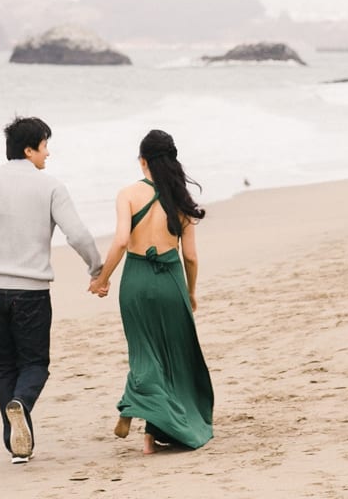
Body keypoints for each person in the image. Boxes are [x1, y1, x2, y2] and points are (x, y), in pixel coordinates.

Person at [0, 116, 104, 464]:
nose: (48, 153)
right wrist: (96, 268)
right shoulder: (50, 186)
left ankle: (17, 447)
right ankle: (21, 404)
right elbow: (77, 234)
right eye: (45, 145)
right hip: (32, 291)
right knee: (35, 363)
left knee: (3, 366)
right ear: (29, 149)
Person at [89, 128, 214, 453]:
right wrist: (190, 291)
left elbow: (119, 240)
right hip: (171, 281)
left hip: (136, 281)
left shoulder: (128, 194)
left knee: (144, 353)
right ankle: (150, 434)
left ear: (142, 160)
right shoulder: (181, 198)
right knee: (173, 357)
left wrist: (102, 279)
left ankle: (134, 408)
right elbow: (190, 256)